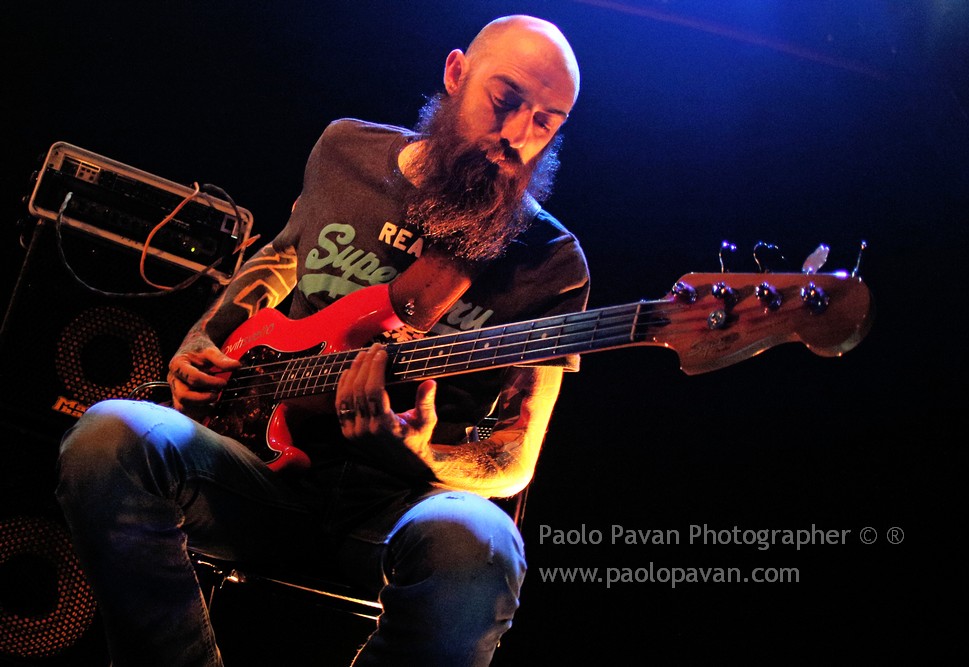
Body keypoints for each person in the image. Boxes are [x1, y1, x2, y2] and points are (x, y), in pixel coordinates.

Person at [55, 14, 587, 667]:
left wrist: (422, 454)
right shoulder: (345, 150)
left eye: (545, 121)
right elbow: (282, 255)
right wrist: (202, 344)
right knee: (107, 436)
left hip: (398, 513)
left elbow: (514, 458)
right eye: (505, 101)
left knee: (482, 542)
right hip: (258, 476)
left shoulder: (552, 260)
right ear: (456, 73)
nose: (517, 135)